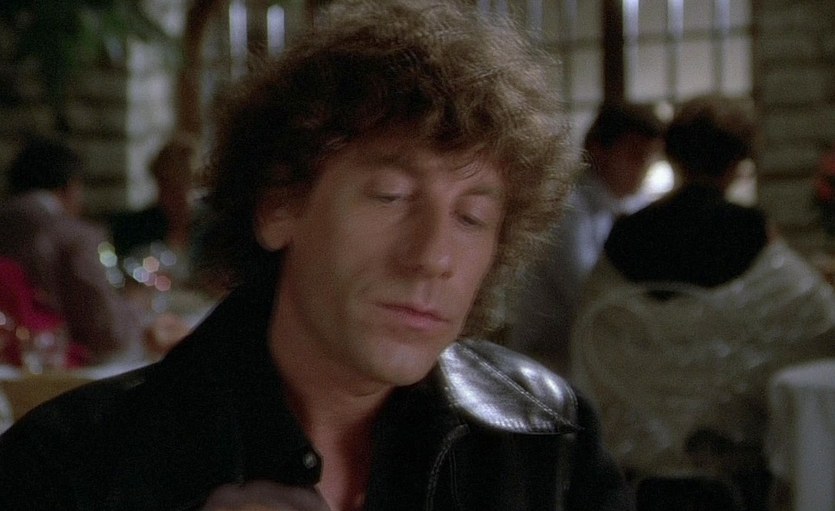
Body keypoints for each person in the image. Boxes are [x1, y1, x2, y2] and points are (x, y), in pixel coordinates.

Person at [0, 1, 633, 510]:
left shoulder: (549, 438)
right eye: (390, 196)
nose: (433, 257)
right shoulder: (69, 465)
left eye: (472, 217)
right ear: (279, 205)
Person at [572, 94, 835, 509]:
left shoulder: (627, 233)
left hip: (637, 440)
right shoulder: (752, 231)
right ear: (738, 163)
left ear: (673, 157)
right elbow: (814, 322)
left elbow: (594, 330)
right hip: (727, 440)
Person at [509, 102, 664, 376]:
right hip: (548, 363)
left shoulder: (636, 205)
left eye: (649, 158)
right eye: (634, 155)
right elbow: (588, 295)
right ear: (599, 149)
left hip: (602, 355)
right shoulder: (567, 208)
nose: (643, 167)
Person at [0, 135, 145, 365]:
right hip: (65, 371)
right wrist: (135, 310)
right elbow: (110, 333)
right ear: (69, 187)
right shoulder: (75, 237)